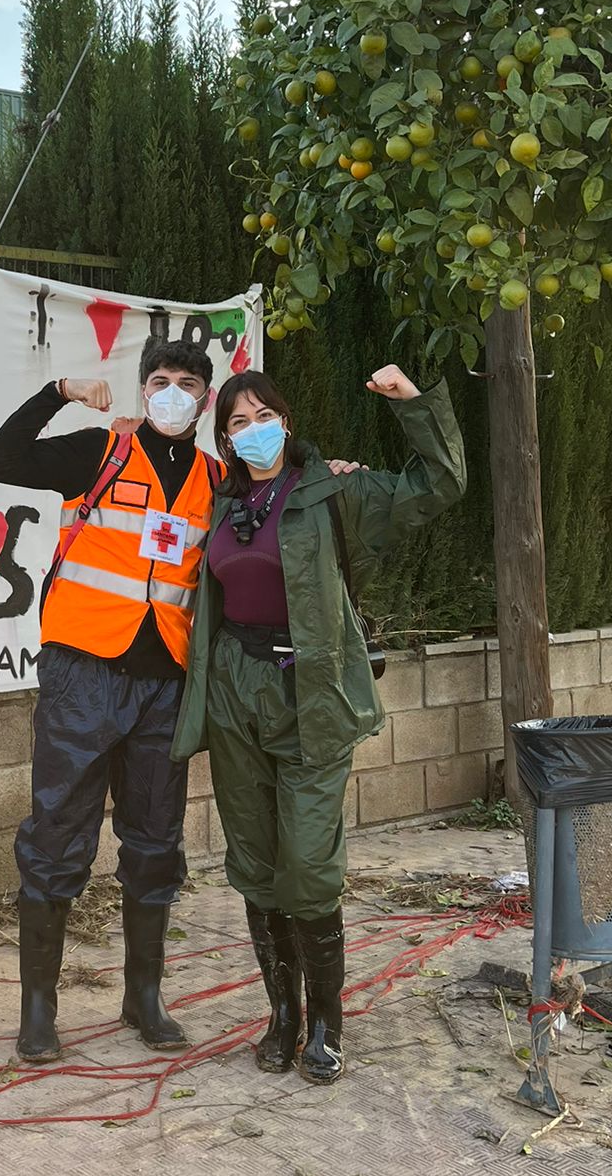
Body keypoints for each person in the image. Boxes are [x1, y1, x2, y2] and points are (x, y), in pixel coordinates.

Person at [172, 363, 465, 1086]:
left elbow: (441, 484)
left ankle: (328, 1023)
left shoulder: (337, 491)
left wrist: (415, 406)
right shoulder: (221, 505)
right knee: (257, 864)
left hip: (312, 694)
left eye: (262, 415)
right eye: (237, 424)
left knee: (307, 865)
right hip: (237, 694)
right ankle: (284, 1018)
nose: (252, 431)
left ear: (286, 420)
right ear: (227, 439)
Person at [0, 339, 221, 1064]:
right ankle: (40, 1010)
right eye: (159, 380)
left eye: (186, 384)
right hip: (83, 673)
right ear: (144, 389)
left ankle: (143, 999)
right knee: (57, 836)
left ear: (206, 398)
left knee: (155, 840)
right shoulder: (100, 453)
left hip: (164, 682)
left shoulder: (217, 477)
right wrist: (58, 391)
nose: (171, 393)